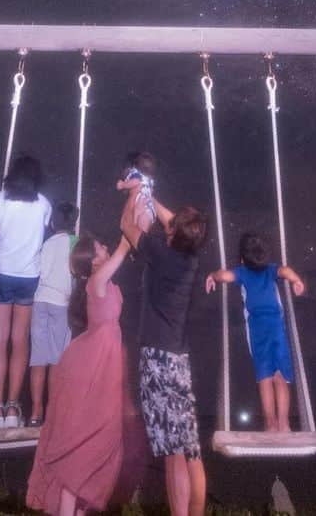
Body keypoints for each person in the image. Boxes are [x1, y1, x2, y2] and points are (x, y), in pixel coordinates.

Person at [26, 231, 138, 516]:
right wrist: (137, 209)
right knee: (82, 442)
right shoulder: (96, 281)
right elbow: (124, 247)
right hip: (90, 366)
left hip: (105, 366)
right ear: (93, 262)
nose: (104, 247)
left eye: (102, 244)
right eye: (100, 248)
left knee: (103, 441)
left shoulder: (107, 282)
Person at [121, 194, 207, 516]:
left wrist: (134, 195)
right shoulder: (191, 258)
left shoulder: (159, 252)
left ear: (174, 233)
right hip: (179, 361)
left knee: (172, 454)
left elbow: (126, 226)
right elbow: (178, 224)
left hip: (157, 361)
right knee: (191, 450)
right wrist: (151, 195)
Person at [205, 232, 306, 433]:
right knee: (281, 376)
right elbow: (285, 271)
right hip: (277, 328)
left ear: (242, 259)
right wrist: (297, 280)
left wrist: (211, 276)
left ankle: (271, 424)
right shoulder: (271, 270)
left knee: (265, 377)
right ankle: (284, 424)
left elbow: (224, 275)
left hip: (257, 330)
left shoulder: (242, 272)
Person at [0, 153, 51, 430]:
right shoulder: (44, 204)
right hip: (28, 276)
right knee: (20, 340)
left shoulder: (1, 199)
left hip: (0, 273)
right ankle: (13, 407)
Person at [29, 200, 79, 427]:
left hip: (40, 301)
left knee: (38, 358)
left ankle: (35, 413)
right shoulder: (75, 243)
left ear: (53, 222)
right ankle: (53, 412)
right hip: (61, 304)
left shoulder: (48, 242)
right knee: (57, 359)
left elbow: (42, 271)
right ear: (74, 222)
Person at [115, 149, 158, 227]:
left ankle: (134, 225)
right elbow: (151, 190)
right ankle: (140, 227)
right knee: (144, 222)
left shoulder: (137, 175)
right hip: (149, 206)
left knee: (136, 219)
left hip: (140, 202)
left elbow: (135, 182)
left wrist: (123, 185)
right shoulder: (150, 180)